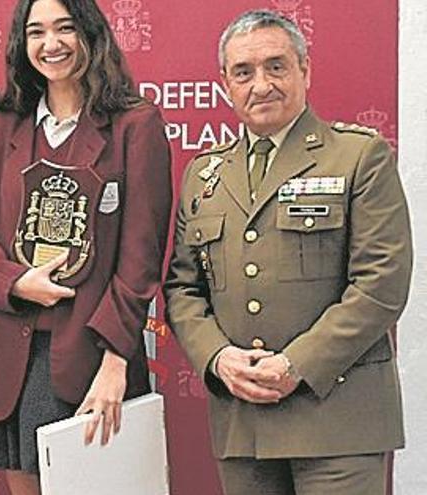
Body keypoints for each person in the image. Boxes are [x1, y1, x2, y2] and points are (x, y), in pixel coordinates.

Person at [164, 9, 411, 495]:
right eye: (244, 72)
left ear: (305, 70)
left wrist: (295, 363)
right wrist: (217, 358)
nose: (261, 84)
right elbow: (182, 288)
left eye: (276, 66)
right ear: (225, 84)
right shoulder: (204, 174)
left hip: (339, 420)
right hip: (243, 424)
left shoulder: (359, 156)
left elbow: (381, 284)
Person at [0, 0, 172, 492]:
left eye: (65, 28)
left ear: (90, 33)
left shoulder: (135, 125)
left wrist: (116, 359)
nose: (51, 44)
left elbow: (141, 258)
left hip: (93, 355)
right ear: (21, 43)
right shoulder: (0, 126)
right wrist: (15, 281)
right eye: (36, 32)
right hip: (13, 356)